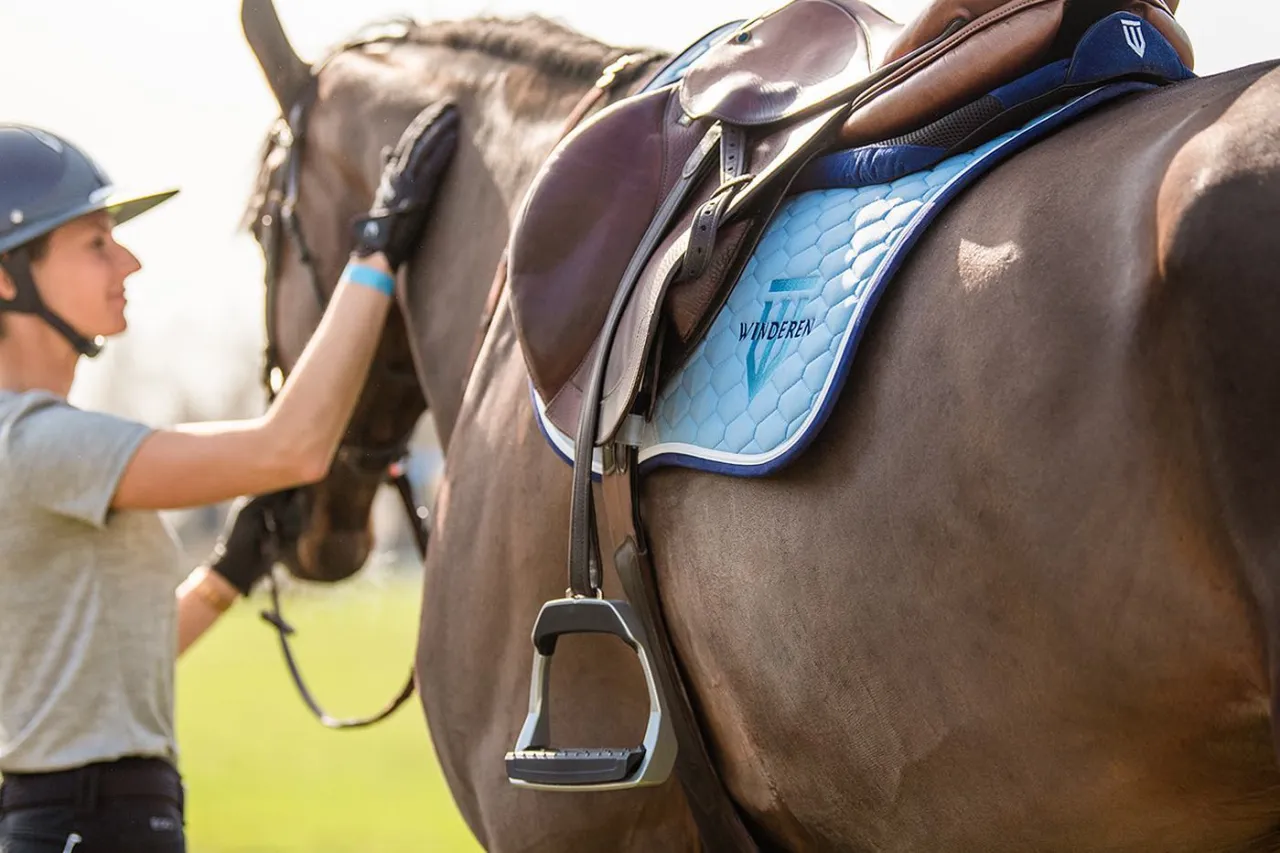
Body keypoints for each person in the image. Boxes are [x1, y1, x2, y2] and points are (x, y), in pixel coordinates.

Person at [0, 104, 458, 853]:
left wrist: (230, 571)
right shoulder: (37, 443)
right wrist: (375, 250)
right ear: (7, 278)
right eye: (95, 244)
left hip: (93, 816)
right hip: (90, 821)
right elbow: (295, 446)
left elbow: (109, 666)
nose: (128, 263)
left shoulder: (41, 445)